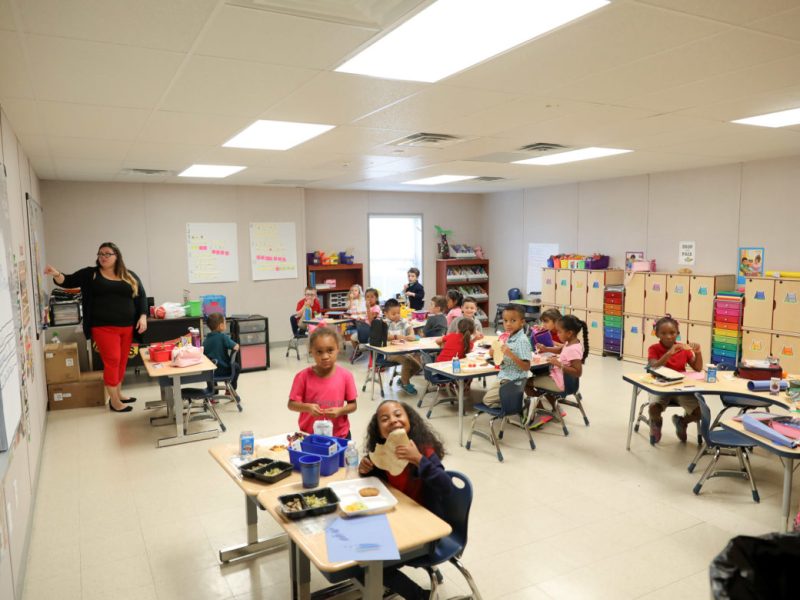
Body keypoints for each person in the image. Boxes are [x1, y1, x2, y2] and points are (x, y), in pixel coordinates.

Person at [359, 400, 453, 600]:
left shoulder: (424, 450)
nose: (393, 421)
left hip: (425, 530)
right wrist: (365, 469)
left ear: (410, 419)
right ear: (379, 429)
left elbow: (446, 486)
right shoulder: (382, 452)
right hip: (396, 521)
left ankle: (419, 596)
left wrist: (419, 459)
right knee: (357, 549)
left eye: (398, 415)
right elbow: (376, 487)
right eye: (385, 419)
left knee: (369, 565)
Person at [45, 242, 147, 413]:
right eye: (100, 254)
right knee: (112, 360)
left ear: (117, 256)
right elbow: (68, 281)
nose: (103, 257)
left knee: (122, 360)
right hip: (103, 328)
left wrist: (143, 316)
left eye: (108, 254)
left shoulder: (129, 275)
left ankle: (119, 393)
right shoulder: (91, 274)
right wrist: (56, 274)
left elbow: (141, 297)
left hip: (127, 327)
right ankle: (114, 401)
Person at [288, 327, 357, 439]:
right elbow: (291, 405)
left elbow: (353, 405)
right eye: (319, 352)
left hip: (340, 435)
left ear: (338, 349)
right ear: (311, 351)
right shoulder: (302, 377)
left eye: (330, 350)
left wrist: (340, 410)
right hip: (310, 435)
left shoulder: (346, 376)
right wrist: (308, 407)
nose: (325, 357)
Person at [647, 316, 703, 444]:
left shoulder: (683, 348)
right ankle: (656, 423)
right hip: (661, 387)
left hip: (680, 388)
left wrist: (698, 352)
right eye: (664, 333)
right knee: (653, 408)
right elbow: (653, 366)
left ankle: (681, 422)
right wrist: (668, 354)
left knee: (700, 412)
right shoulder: (653, 348)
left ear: (677, 333)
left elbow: (698, 368)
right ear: (657, 334)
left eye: (672, 333)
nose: (668, 336)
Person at [482, 305, 531, 407]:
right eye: (505, 320)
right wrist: (494, 352)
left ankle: (517, 405)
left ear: (522, 322)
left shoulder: (522, 340)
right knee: (487, 398)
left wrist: (511, 354)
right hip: (504, 376)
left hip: (513, 381)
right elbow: (502, 360)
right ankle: (515, 402)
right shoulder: (508, 336)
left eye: (513, 320)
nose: (508, 324)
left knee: (487, 400)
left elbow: (526, 367)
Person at [528, 315, 588, 393]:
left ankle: (538, 403)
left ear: (569, 333)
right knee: (540, 373)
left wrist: (558, 364)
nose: (558, 334)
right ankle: (550, 400)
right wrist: (545, 348)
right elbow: (560, 349)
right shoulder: (571, 342)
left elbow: (578, 372)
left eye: (559, 332)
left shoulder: (573, 349)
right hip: (558, 377)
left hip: (560, 383)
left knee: (526, 383)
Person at [203, 312, 239, 379]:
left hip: (211, 372)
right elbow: (236, 346)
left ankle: (213, 388)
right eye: (225, 323)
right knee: (236, 367)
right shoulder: (222, 337)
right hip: (224, 369)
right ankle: (232, 387)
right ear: (221, 325)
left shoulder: (206, 340)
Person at [345, 284, 368, 356]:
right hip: (353, 320)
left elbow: (366, 311)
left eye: (355, 290)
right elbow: (349, 310)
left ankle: (362, 343)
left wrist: (360, 312)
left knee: (360, 325)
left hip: (362, 319)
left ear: (359, 292)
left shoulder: (363, 300)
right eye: (352, 290)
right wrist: (351, 300)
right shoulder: (349, 301)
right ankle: (357, 350)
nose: (353, 292)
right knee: (350, 326)